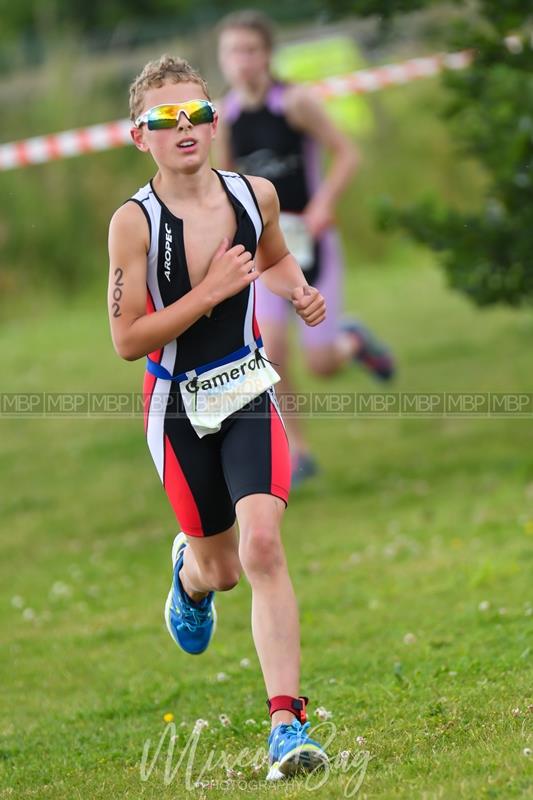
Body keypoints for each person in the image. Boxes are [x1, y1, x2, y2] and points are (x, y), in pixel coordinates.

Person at [107, 54, 329, 781]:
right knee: (223, 569)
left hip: (247, 392)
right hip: (174, 407)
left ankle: (286, 726)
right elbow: (127, 339)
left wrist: (295, 289)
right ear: (140, 134)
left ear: (213, 120)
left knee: (263, 546)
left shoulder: (253, 193)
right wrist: (206, 294)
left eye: (197, 113)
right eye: (165, 119)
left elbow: (270, 257)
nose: (186, 129)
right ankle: (189, 576)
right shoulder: (132, 223)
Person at [215, 11, 396, 483]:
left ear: (268, 55)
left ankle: (350, 341)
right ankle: (298, 451)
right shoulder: (226, 119)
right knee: (270, 352)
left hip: (313, 244)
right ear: (223, 60)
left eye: (251, 50)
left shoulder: (293, 103)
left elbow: (348, 152)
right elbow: (227, 185)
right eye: (233, 52)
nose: (243, 61)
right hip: (266, 251)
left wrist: (322, 204)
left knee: (320, 364)